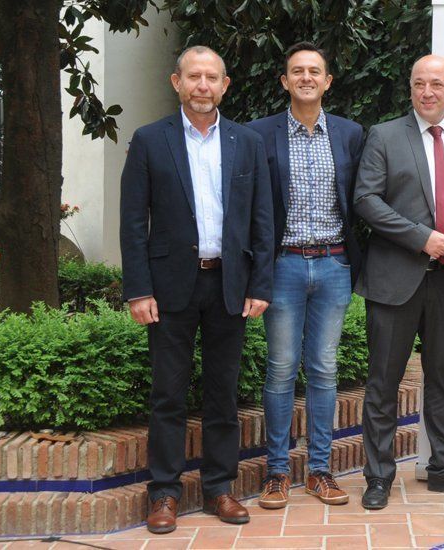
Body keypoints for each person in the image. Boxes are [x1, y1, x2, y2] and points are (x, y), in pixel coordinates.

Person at [119, 46, 273, 533]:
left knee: (223, 394)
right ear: (177, 82)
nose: (203, 85)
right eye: (194, 77)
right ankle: (163, 493)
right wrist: (138, 289)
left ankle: (219, 489)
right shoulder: (149, 140)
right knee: (168, 394)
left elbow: (262, 221)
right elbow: (132, 221)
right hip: (168, 289)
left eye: (212, 78)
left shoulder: (246, 142)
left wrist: (260, 283)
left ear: (225, 85)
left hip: (229, 284)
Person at [353, 54, 444, 510]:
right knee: (383, 384)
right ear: (410, 88)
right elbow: (366, 200)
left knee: (443, 381)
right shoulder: (385, 135)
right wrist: (420, 238)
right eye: (419, 83)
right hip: (396, 280)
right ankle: (378, 477)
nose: (427, 92)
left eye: (436, 83)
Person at [247, 42, 364, 509]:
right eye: (297, 71)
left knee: (324, 369)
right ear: (285, 81)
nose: (307, 78)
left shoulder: (351, 134)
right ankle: (277, 473)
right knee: (279, 370)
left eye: (315, 70)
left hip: (334, 264)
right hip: (284, 266)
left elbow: (363, 199)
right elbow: (254, 207)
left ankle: (320, 470)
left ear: (328, 80)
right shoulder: (260, 134)